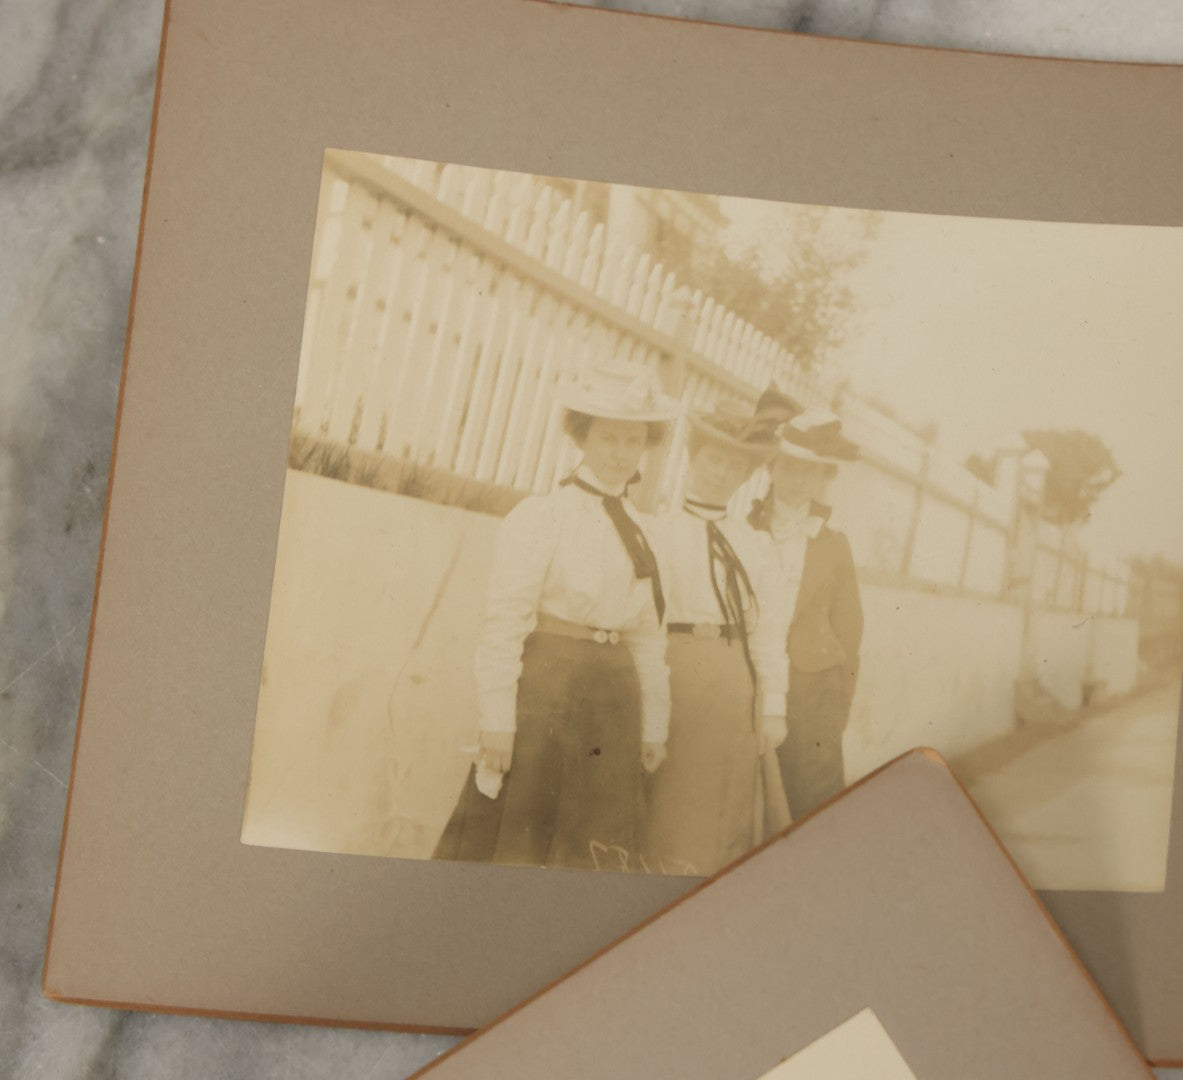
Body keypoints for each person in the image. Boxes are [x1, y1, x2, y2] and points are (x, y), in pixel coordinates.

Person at [433, 361, 679, 871]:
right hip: (547, 693)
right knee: (520, 836)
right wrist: (497, 721)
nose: (620, 453)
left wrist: (653, 724)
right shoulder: (542, 516)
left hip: (614, 702)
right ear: (582, 436)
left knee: (591, 845)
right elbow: (504, 623)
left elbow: (648, 638)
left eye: (633, 441)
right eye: (607, 437)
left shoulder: (646, 532)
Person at [642, 404, 789, 876]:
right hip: (673, 674)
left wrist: (773, 705)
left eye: (734, 465)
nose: (722, 473)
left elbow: (767, 631)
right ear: (693, 458)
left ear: (745, 475)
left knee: (724, 799)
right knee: (671, 794)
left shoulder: (756, 545)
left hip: (732, 681)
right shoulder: (657, 532)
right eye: (713, 459)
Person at [749, 398, 863, 820]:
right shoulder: (744, 531)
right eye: (790, 467)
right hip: (753, 684)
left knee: (811, 804)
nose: (798, 480)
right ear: (772, 468)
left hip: (814, 694)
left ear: (821, 478)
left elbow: (850, 633)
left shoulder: (833, 544)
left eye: (809, 471)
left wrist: (836, 709)